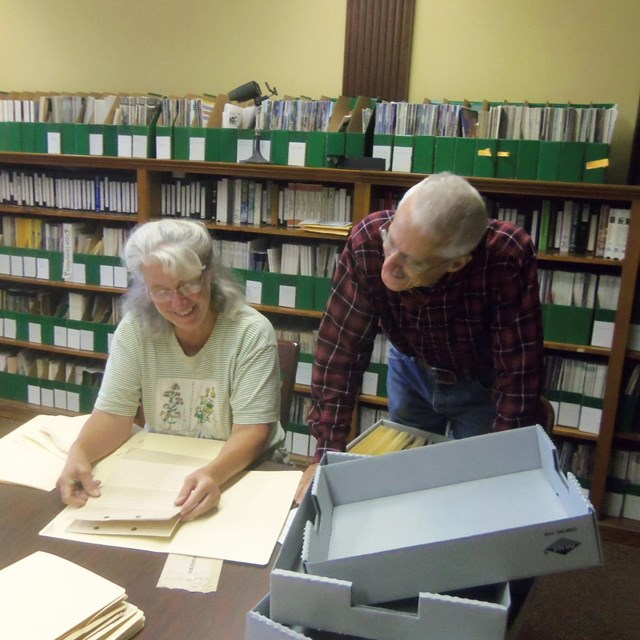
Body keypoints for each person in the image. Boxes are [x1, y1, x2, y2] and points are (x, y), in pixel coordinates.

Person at [295, 172, 544, 503]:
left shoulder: (506, 255)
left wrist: (500, 464)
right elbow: (341, 351)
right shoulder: (369, 239)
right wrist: (325, 453)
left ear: (456, 263)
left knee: (476, 493)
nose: (389, 266)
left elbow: (519, 368)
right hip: (412, 368)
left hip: (482, 382)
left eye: (411, 260)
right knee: (405, 485)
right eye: (392, 241)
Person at [58, 219, 288, 522]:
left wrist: (212, 473)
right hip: (165, 470)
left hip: (244, 471)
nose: (178, 303)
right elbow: (114, 415)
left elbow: (251, 431)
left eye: (188, 284)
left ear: (210, 274)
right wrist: (81, 453)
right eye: (161, 291)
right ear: (145, 288)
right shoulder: (135, 329)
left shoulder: (249, 331)